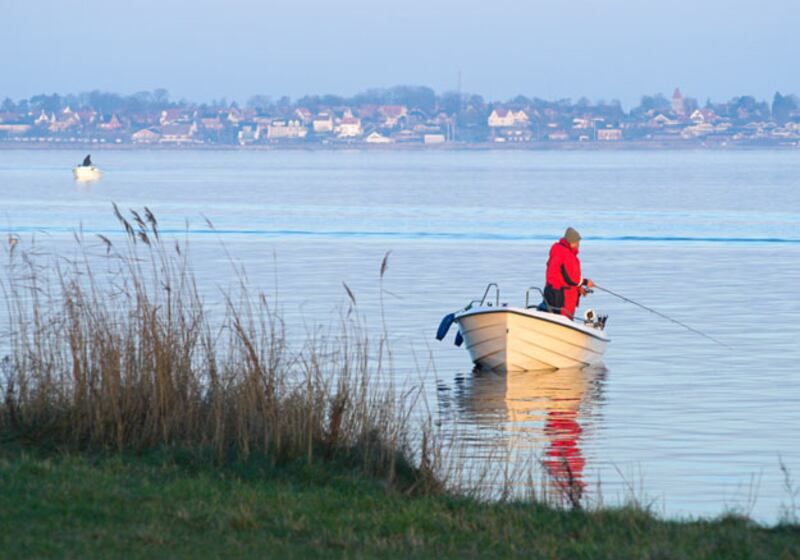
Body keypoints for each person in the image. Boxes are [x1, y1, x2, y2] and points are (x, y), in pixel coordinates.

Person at [541, 227, 594, 319]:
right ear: (572, 242)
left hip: (550, 292)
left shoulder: (557, 250)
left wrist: (578, 288)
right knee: (563, 319)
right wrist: (586, 282)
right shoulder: (567, 255)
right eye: (577, 242)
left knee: (551, 316)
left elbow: (562, 275)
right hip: (563, 297)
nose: (578, 245)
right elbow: (571, 278)